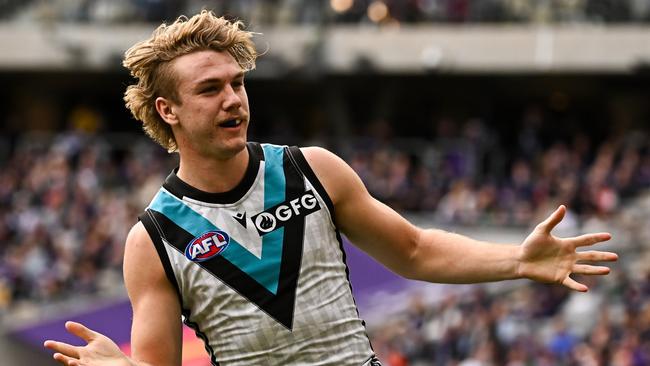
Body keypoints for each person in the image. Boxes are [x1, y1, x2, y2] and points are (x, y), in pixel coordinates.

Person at [44, 10, 617, 366]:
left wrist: (516, 258)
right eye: (210, 88)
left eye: (239, 83)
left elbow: (414, 250)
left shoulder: (313, 168)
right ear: (167, 110)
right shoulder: (155, 239)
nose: (233, 99)